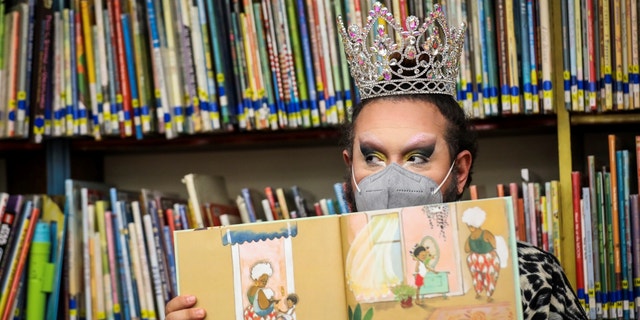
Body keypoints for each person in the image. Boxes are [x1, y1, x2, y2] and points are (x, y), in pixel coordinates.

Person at [166, 2, 588, 320]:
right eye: (372, 157)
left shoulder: (528, 274)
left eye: (418, 156)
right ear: (350, 167)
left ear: (459, 170)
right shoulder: (305, 275)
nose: (390, 177)